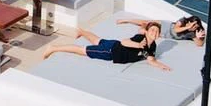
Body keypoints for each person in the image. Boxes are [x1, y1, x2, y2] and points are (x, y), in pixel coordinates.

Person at [41, 20, 170, 70]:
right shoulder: (140, 38)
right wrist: (138, 46)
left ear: (158, 35)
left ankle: (82, 32)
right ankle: (54, 48)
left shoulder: (152, 47)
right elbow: (125, 42)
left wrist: (161, 66)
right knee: (82, 50)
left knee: (97, 40)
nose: (154, 32)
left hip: (113, 45)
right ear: (147, 32)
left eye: (156, 31)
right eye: (152, 30)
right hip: (111, 52)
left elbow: (150, 59)